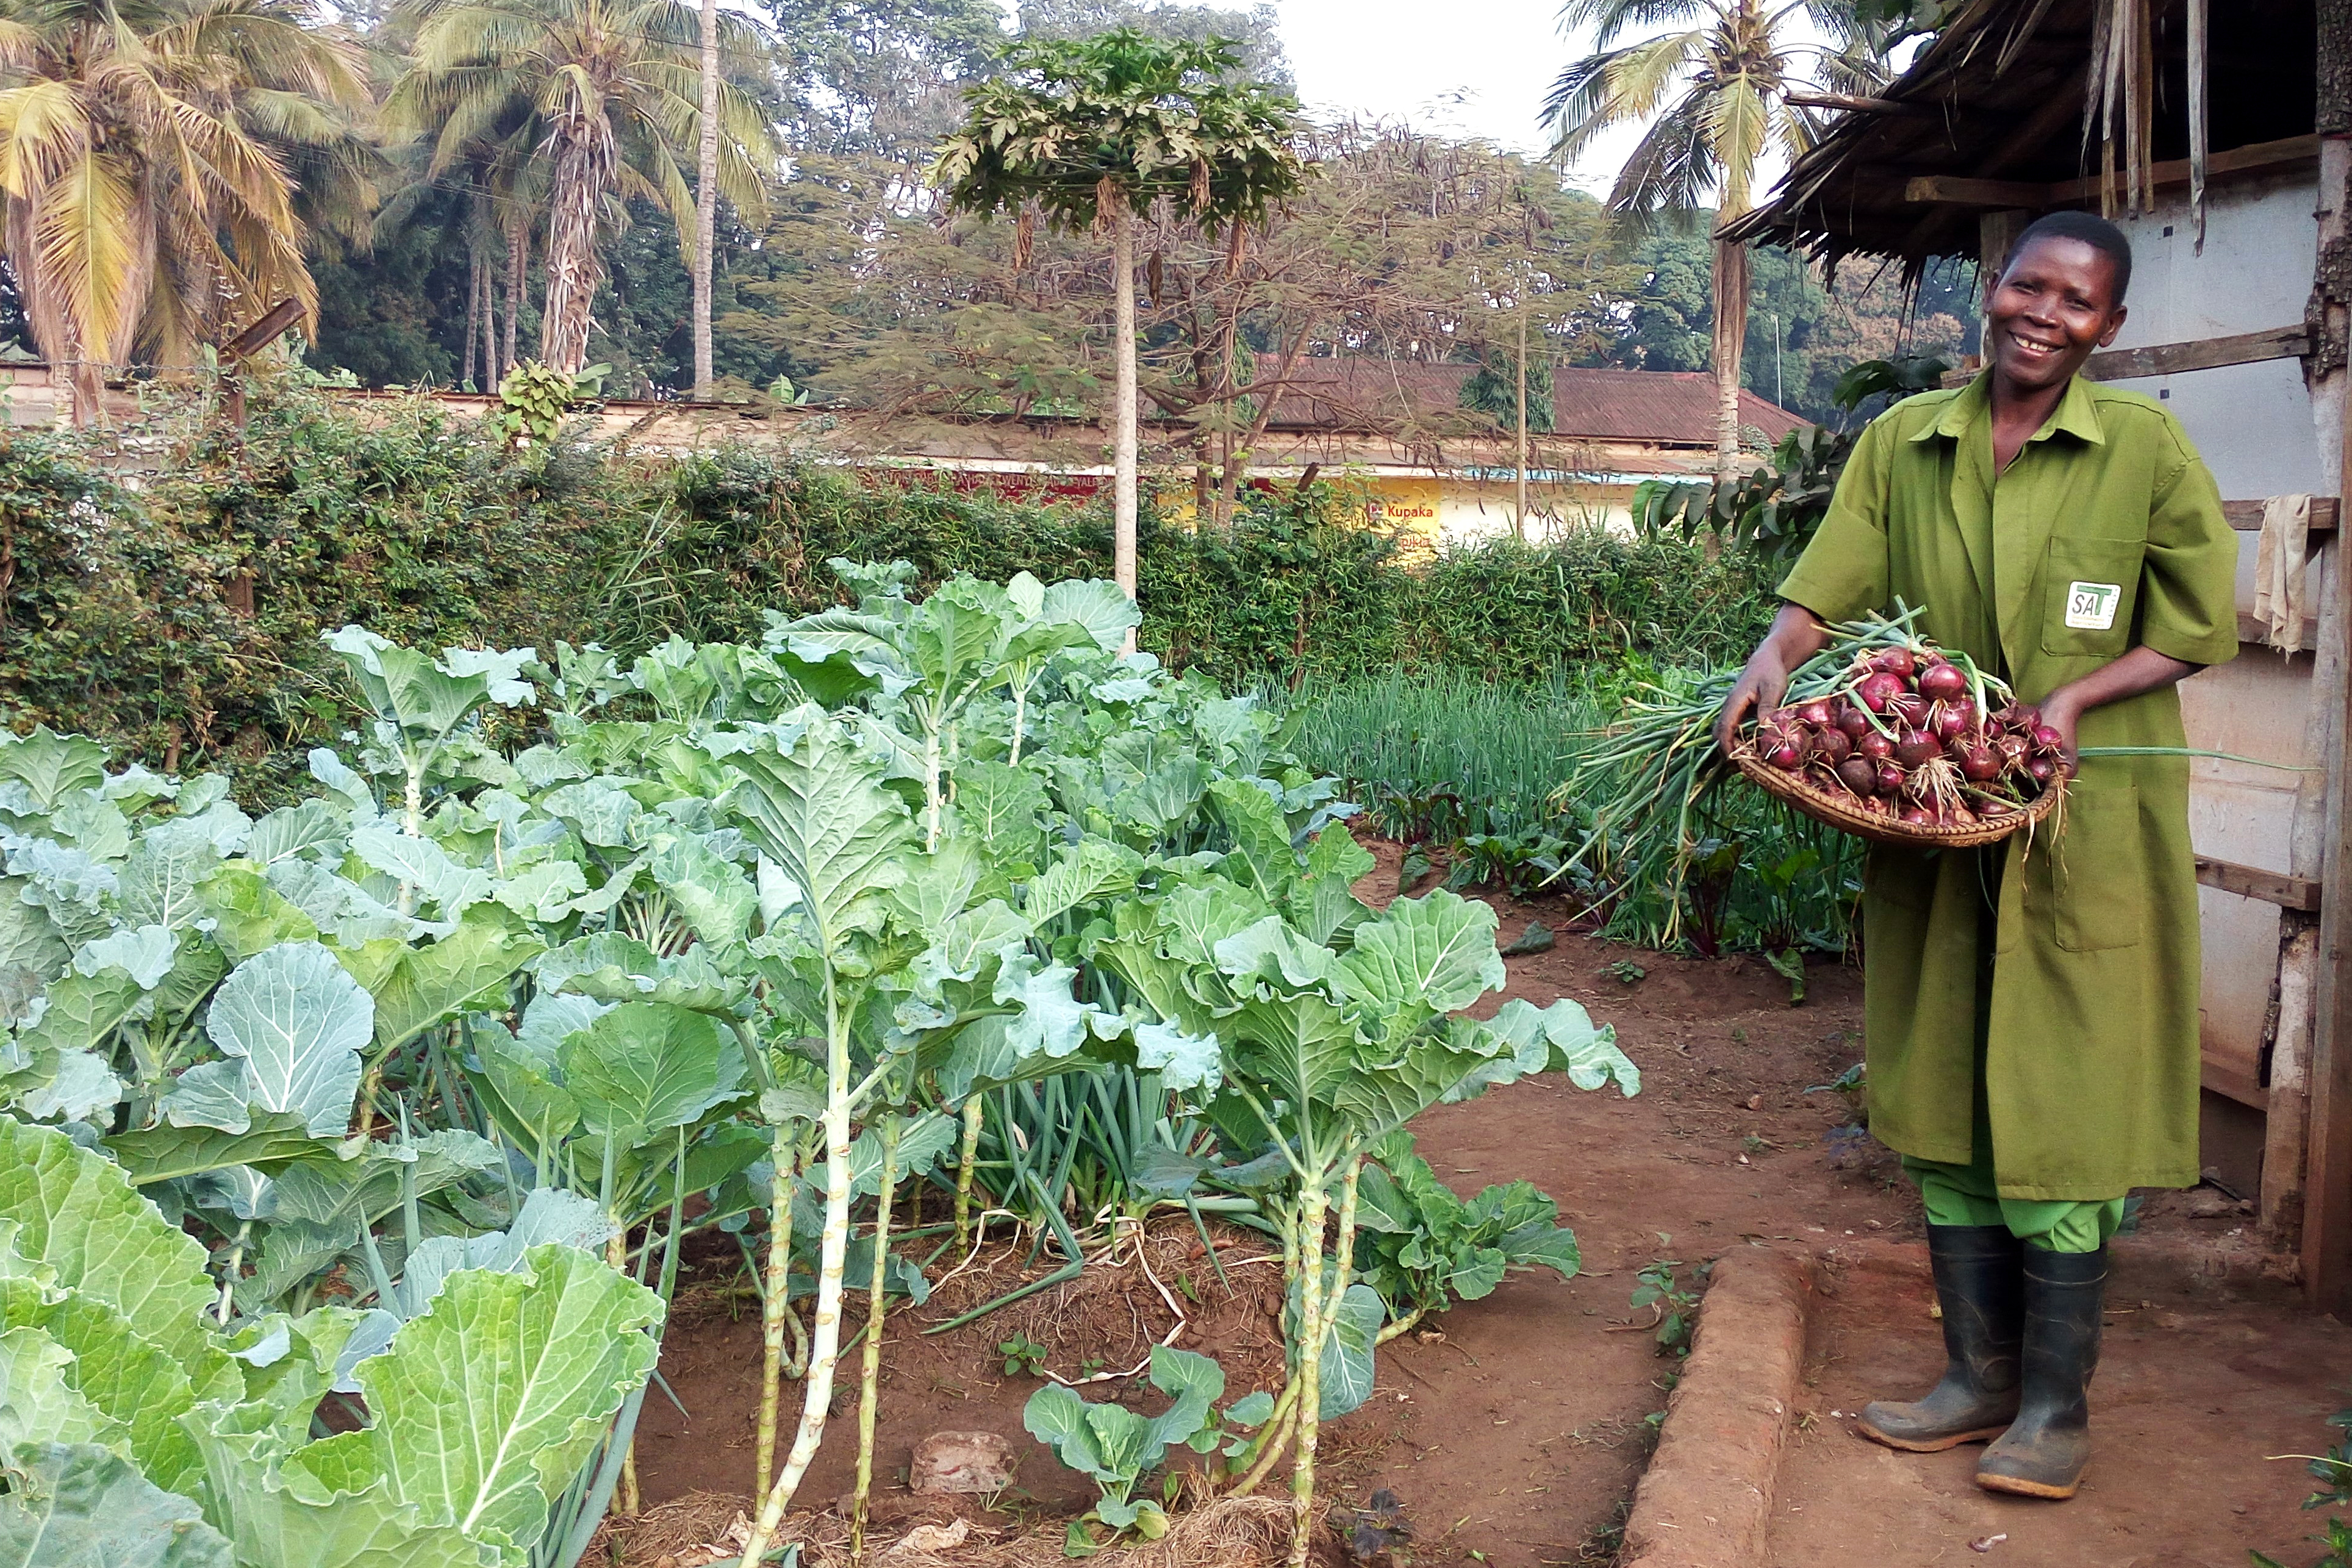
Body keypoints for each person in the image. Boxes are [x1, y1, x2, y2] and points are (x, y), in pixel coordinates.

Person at [1715, 210, 2239, 1500]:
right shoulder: (1907, 443)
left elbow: (2198, 623)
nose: (2041, 314)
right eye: (2026, 287)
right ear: (1990, 291)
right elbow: (1826, 580)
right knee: (1938, 1083)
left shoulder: (2141, 450)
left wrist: (2069, 701)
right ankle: (1973, 1377)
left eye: (2075, 301)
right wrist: (1771, 656)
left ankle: (2053, 1408)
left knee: (2062, 1102)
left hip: (2081, 823)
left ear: (2105, 327)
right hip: (1932, 809)